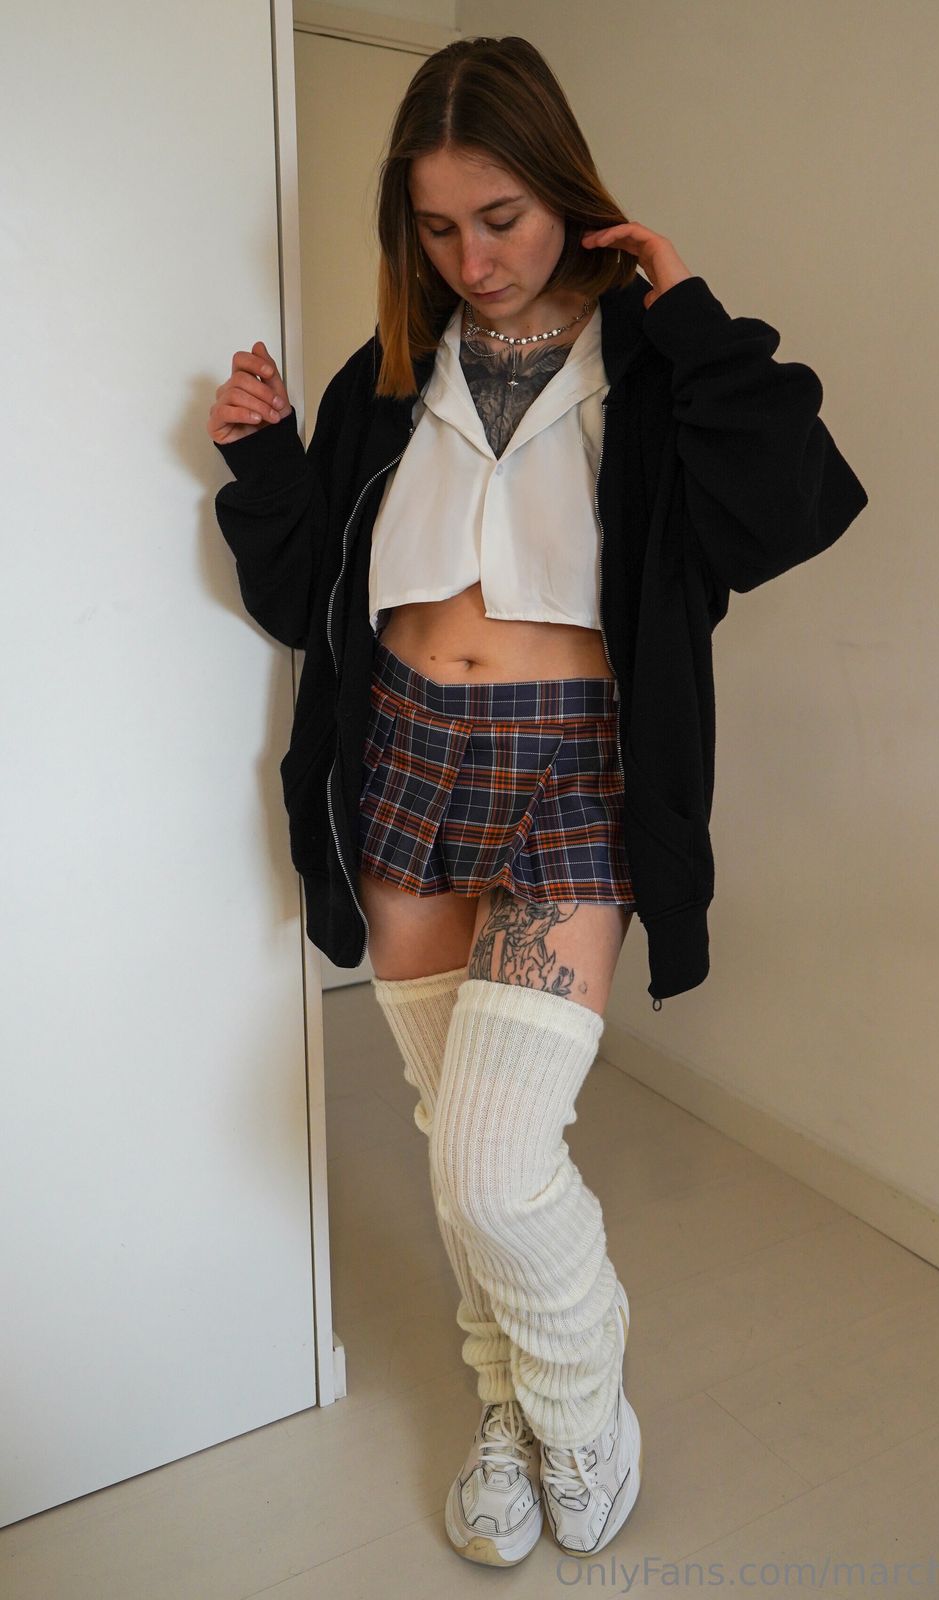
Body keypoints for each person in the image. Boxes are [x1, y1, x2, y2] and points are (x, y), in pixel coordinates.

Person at [208, 34, 869, 1569]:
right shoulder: (384, 378)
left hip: (575, 766)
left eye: (500, 217)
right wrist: (264, 459)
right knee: (455, 1134)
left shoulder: (650, 361)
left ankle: (581, 1415)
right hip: (403, 761)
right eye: (438, 227)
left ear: (566, 191)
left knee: (497, 1163)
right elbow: (310, 598)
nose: (474, 259)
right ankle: (505, 1404)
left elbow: (794, 506)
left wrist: (688, 312)